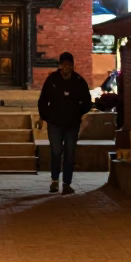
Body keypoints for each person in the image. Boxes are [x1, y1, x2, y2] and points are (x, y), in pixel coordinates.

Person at [38, 51, 92, 194]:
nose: (67, 68)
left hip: (72, 125)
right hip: (55, 123)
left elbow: (87, 102)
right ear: (60, 66)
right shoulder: (52, 80)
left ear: (73, 66)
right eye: (64, 65)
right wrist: (43, 116)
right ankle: (54, 180)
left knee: (70, 153)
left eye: (69, 65)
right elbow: (43, 100)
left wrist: (78, 112)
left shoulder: (79, 81)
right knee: (56, 152)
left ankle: (67, 183)